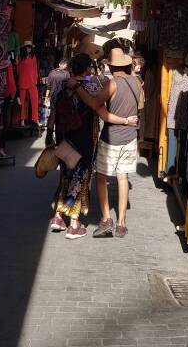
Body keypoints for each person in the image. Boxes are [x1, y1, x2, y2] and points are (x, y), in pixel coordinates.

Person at [47, 54, 137, 240]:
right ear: (88, 68)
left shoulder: (63, 86)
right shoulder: (93, 86)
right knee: (81, 176)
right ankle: (73, 223)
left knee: (65, 175)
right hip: (84, 137)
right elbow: (97, 104)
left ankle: (57, 217)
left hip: (64, 136)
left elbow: (54, 110)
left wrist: (49, 133)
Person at [90, 46, 142, 239]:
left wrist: (122, 120)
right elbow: (141, 105)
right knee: (123, 178)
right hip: (130, 137)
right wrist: (129, 120)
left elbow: (97, 106)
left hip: (111, 137)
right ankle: (121, 224)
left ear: (111, 67)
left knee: (102, 177)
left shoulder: (112, 84)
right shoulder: (136, 82)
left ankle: (106, 219)